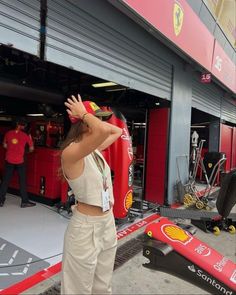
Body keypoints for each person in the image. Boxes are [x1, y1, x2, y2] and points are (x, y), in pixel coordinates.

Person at [60, 94, 122, 295]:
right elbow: (104, 129)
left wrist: (86, 115)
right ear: (84, 123)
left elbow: (116, 130)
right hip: (86, 228)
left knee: (102, 286)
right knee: (78, 289)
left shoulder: (94, 149)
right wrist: (84, 114)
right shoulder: (71, 153)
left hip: (107, 222)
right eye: (98, 117)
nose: (102, 121)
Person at [0, 118, 36, 208]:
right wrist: (25, 150)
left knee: (5, 181)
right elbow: (32, 149)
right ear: (21, 125)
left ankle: (0, 200)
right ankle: (24, 202)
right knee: (22, 181)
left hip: (9, 160)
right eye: (24, 125)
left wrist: (11, 149)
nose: (24, 127)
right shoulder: (26, 135)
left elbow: (4, 145)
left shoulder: (8, 133)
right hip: (20, 161)